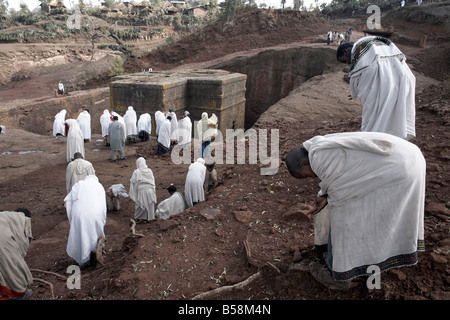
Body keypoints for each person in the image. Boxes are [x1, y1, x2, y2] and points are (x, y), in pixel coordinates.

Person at [285, 132, 425, 289]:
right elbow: (349, 176)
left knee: (346, 218)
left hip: (400, 169)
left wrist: (329, 198)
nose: (311, 178)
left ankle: (339, 275)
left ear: (303, 164)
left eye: (305, 176)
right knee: (365, 213)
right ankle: (357, 259)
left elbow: (342, 195)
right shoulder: (317, 146)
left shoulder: (320, 159)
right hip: (408, 157)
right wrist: (327, 196)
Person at [337, 36, 416, 140]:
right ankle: (393, 137)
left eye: (344, 61)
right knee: (395, 110)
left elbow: (360, 75)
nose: (348, 63)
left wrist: (358, 91)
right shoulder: (370, 42)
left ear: (345, 51)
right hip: (403, 78)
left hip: (385, 83)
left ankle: (376, 139)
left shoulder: (359, 50)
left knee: (374, 115)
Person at [64, 175, 107, 268]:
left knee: (81, 235)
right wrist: (102, 218)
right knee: (94, 234)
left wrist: (72, 217)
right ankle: (92, 255)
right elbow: (103, 205)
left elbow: (68, 201)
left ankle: (83, 259)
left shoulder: (79, 184)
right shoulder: (99, 186)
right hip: (95, 214)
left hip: (79, 214)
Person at [0, 208, 33, 300]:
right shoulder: (23, 221)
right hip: (2, 243)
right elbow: (21, 247)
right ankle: (19, 295)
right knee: (13, 271)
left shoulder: (5, 217)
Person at [129, 157, 157, 223]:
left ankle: (138, 218)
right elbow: (153, 181)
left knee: (140, 205)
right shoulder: (149, 170)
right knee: (150, 205)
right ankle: (149, 217)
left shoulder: (136, 172)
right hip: (150, 190)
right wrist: (153, 189)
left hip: (141, 191)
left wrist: (134, 192)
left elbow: (133, 182)